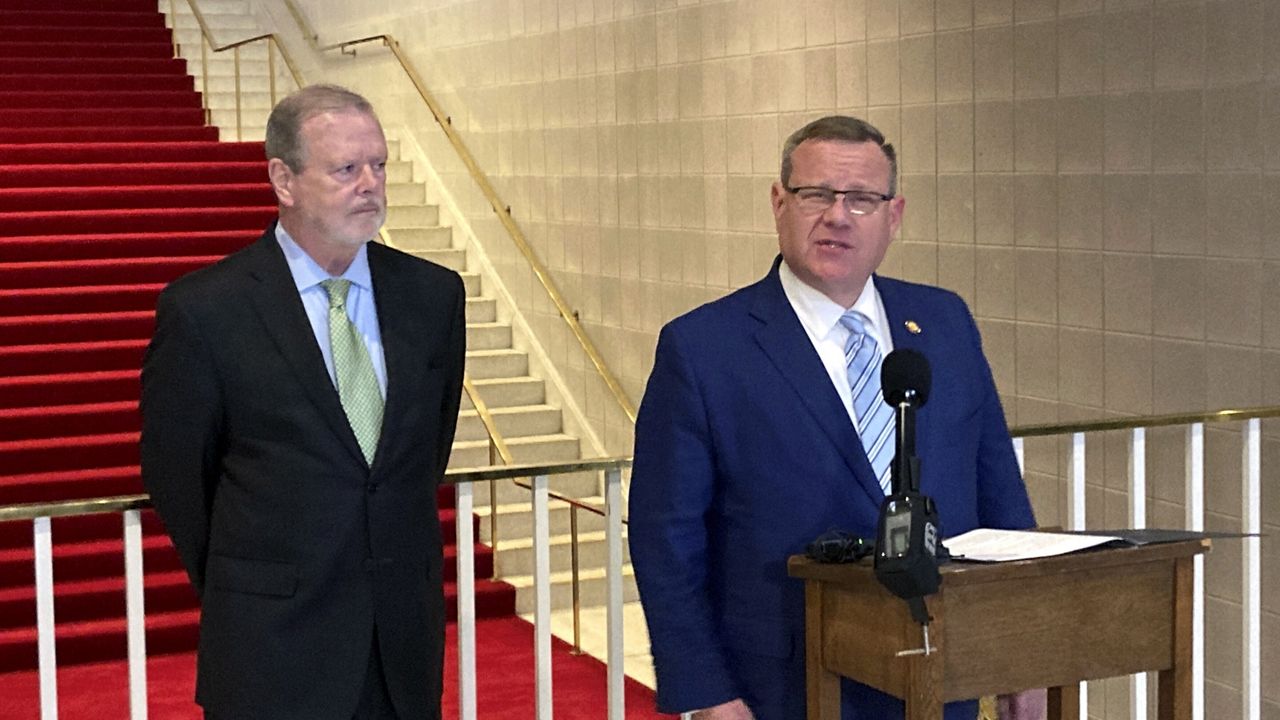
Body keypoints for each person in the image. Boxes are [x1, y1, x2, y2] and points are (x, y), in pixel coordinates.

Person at [628, 116, 1040, 720]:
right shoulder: (704, 348)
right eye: (816, 194)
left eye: (862, 200)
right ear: (779, 202)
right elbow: (666, 536)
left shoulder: (944, 322)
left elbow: (1000, 494)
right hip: (786, 686)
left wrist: (1020, 655)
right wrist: (708, 693)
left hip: (938, 675)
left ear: (893, 216)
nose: (838, 216)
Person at [141, 84, 466, 720]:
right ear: (283, 180)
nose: (370, 184)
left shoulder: (432, 297)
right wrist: (254, 586)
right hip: (272, 650)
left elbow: (422, 456)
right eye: (346, 168)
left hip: (400, 649)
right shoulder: (207, 309)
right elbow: (179, 476)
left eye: (379, 165)